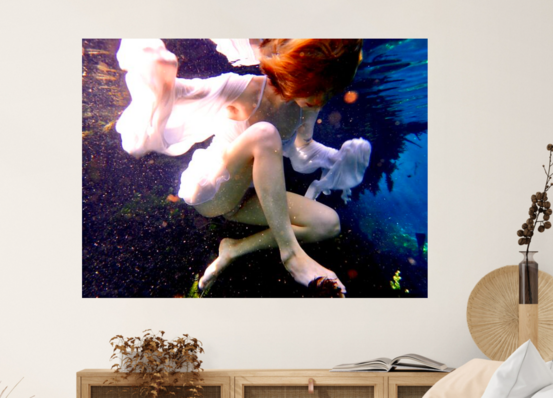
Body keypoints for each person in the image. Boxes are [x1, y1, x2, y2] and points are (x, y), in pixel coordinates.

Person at [115, 39, 372, 297]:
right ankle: (291, 252)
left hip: (249, 198)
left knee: (328, 223)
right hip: (214, 191)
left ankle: (233, 250)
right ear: (299, 72)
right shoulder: (246, 90)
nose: (321, 99)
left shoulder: (307, 105)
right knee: (265, 134)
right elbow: (185, 93)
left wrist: (338, 159)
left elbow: (303, 151)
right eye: (319, 89)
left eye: (329, 92)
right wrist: (159, 77)